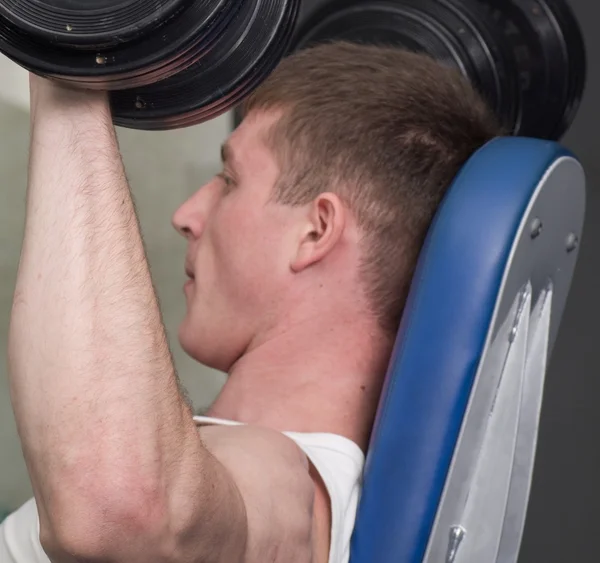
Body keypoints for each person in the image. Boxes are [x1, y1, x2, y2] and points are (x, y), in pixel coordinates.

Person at [1, 41, 501, 563]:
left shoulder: (285, 481)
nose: (188, 215)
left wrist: (66, 64)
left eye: (229, 180)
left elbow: (121, 510)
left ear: (316, 231)